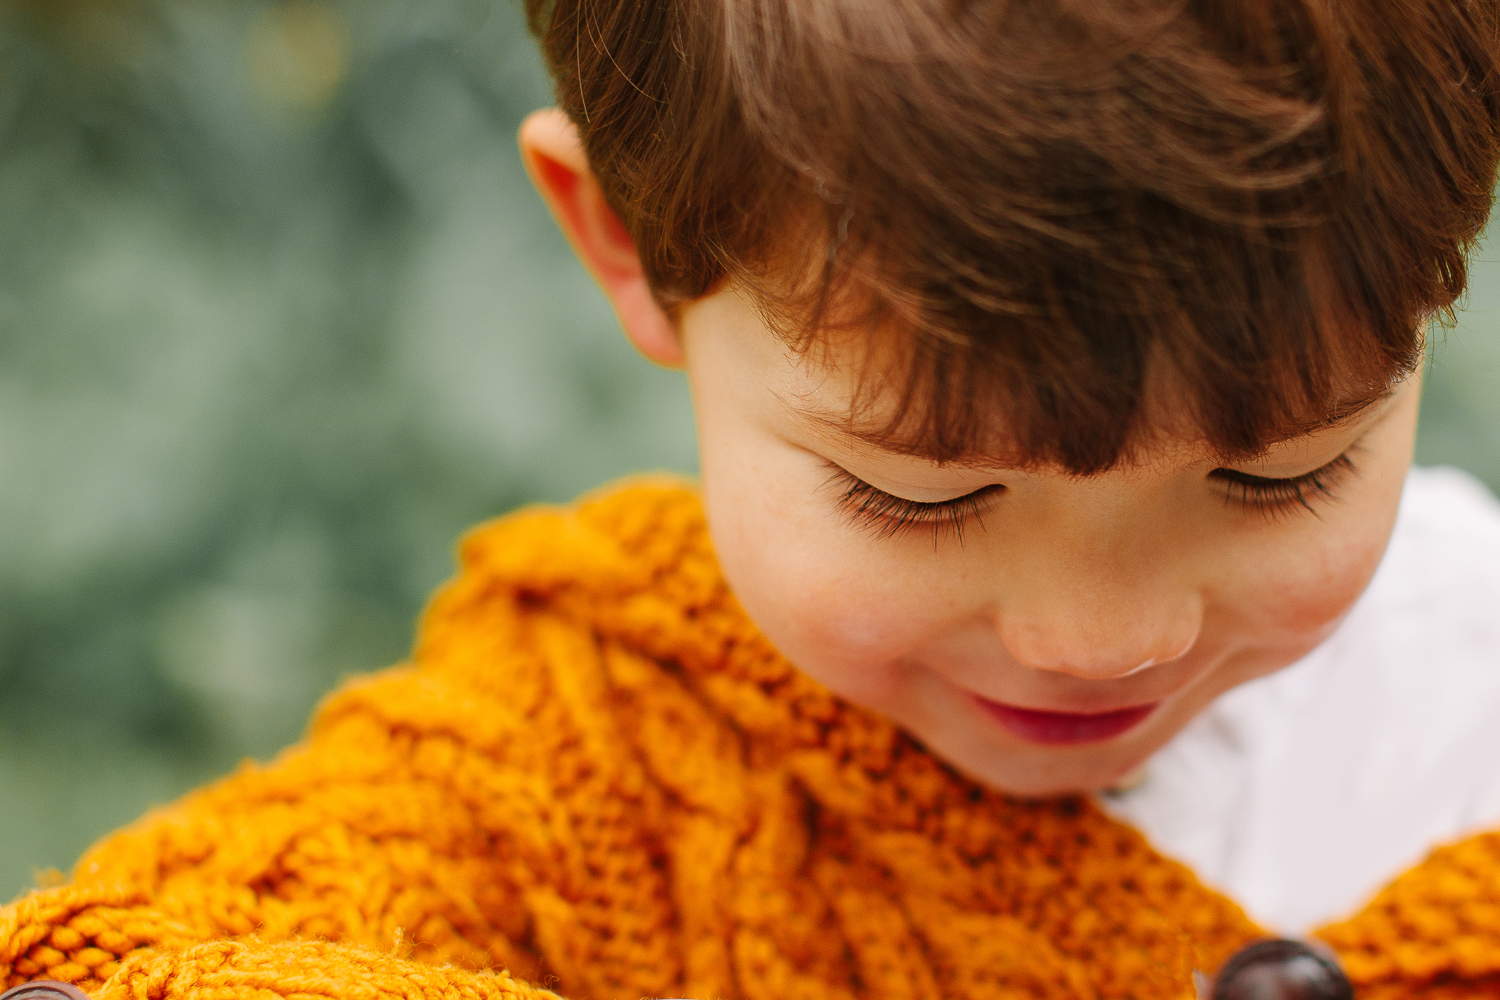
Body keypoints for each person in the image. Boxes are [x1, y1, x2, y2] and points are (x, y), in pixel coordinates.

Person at [5, 0, 1500, 998]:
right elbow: (144, 949)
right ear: (632, 247)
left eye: (1277, 472)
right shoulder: (591, 749)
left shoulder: (1470, 679)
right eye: (920, 495)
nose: (1095, 638)